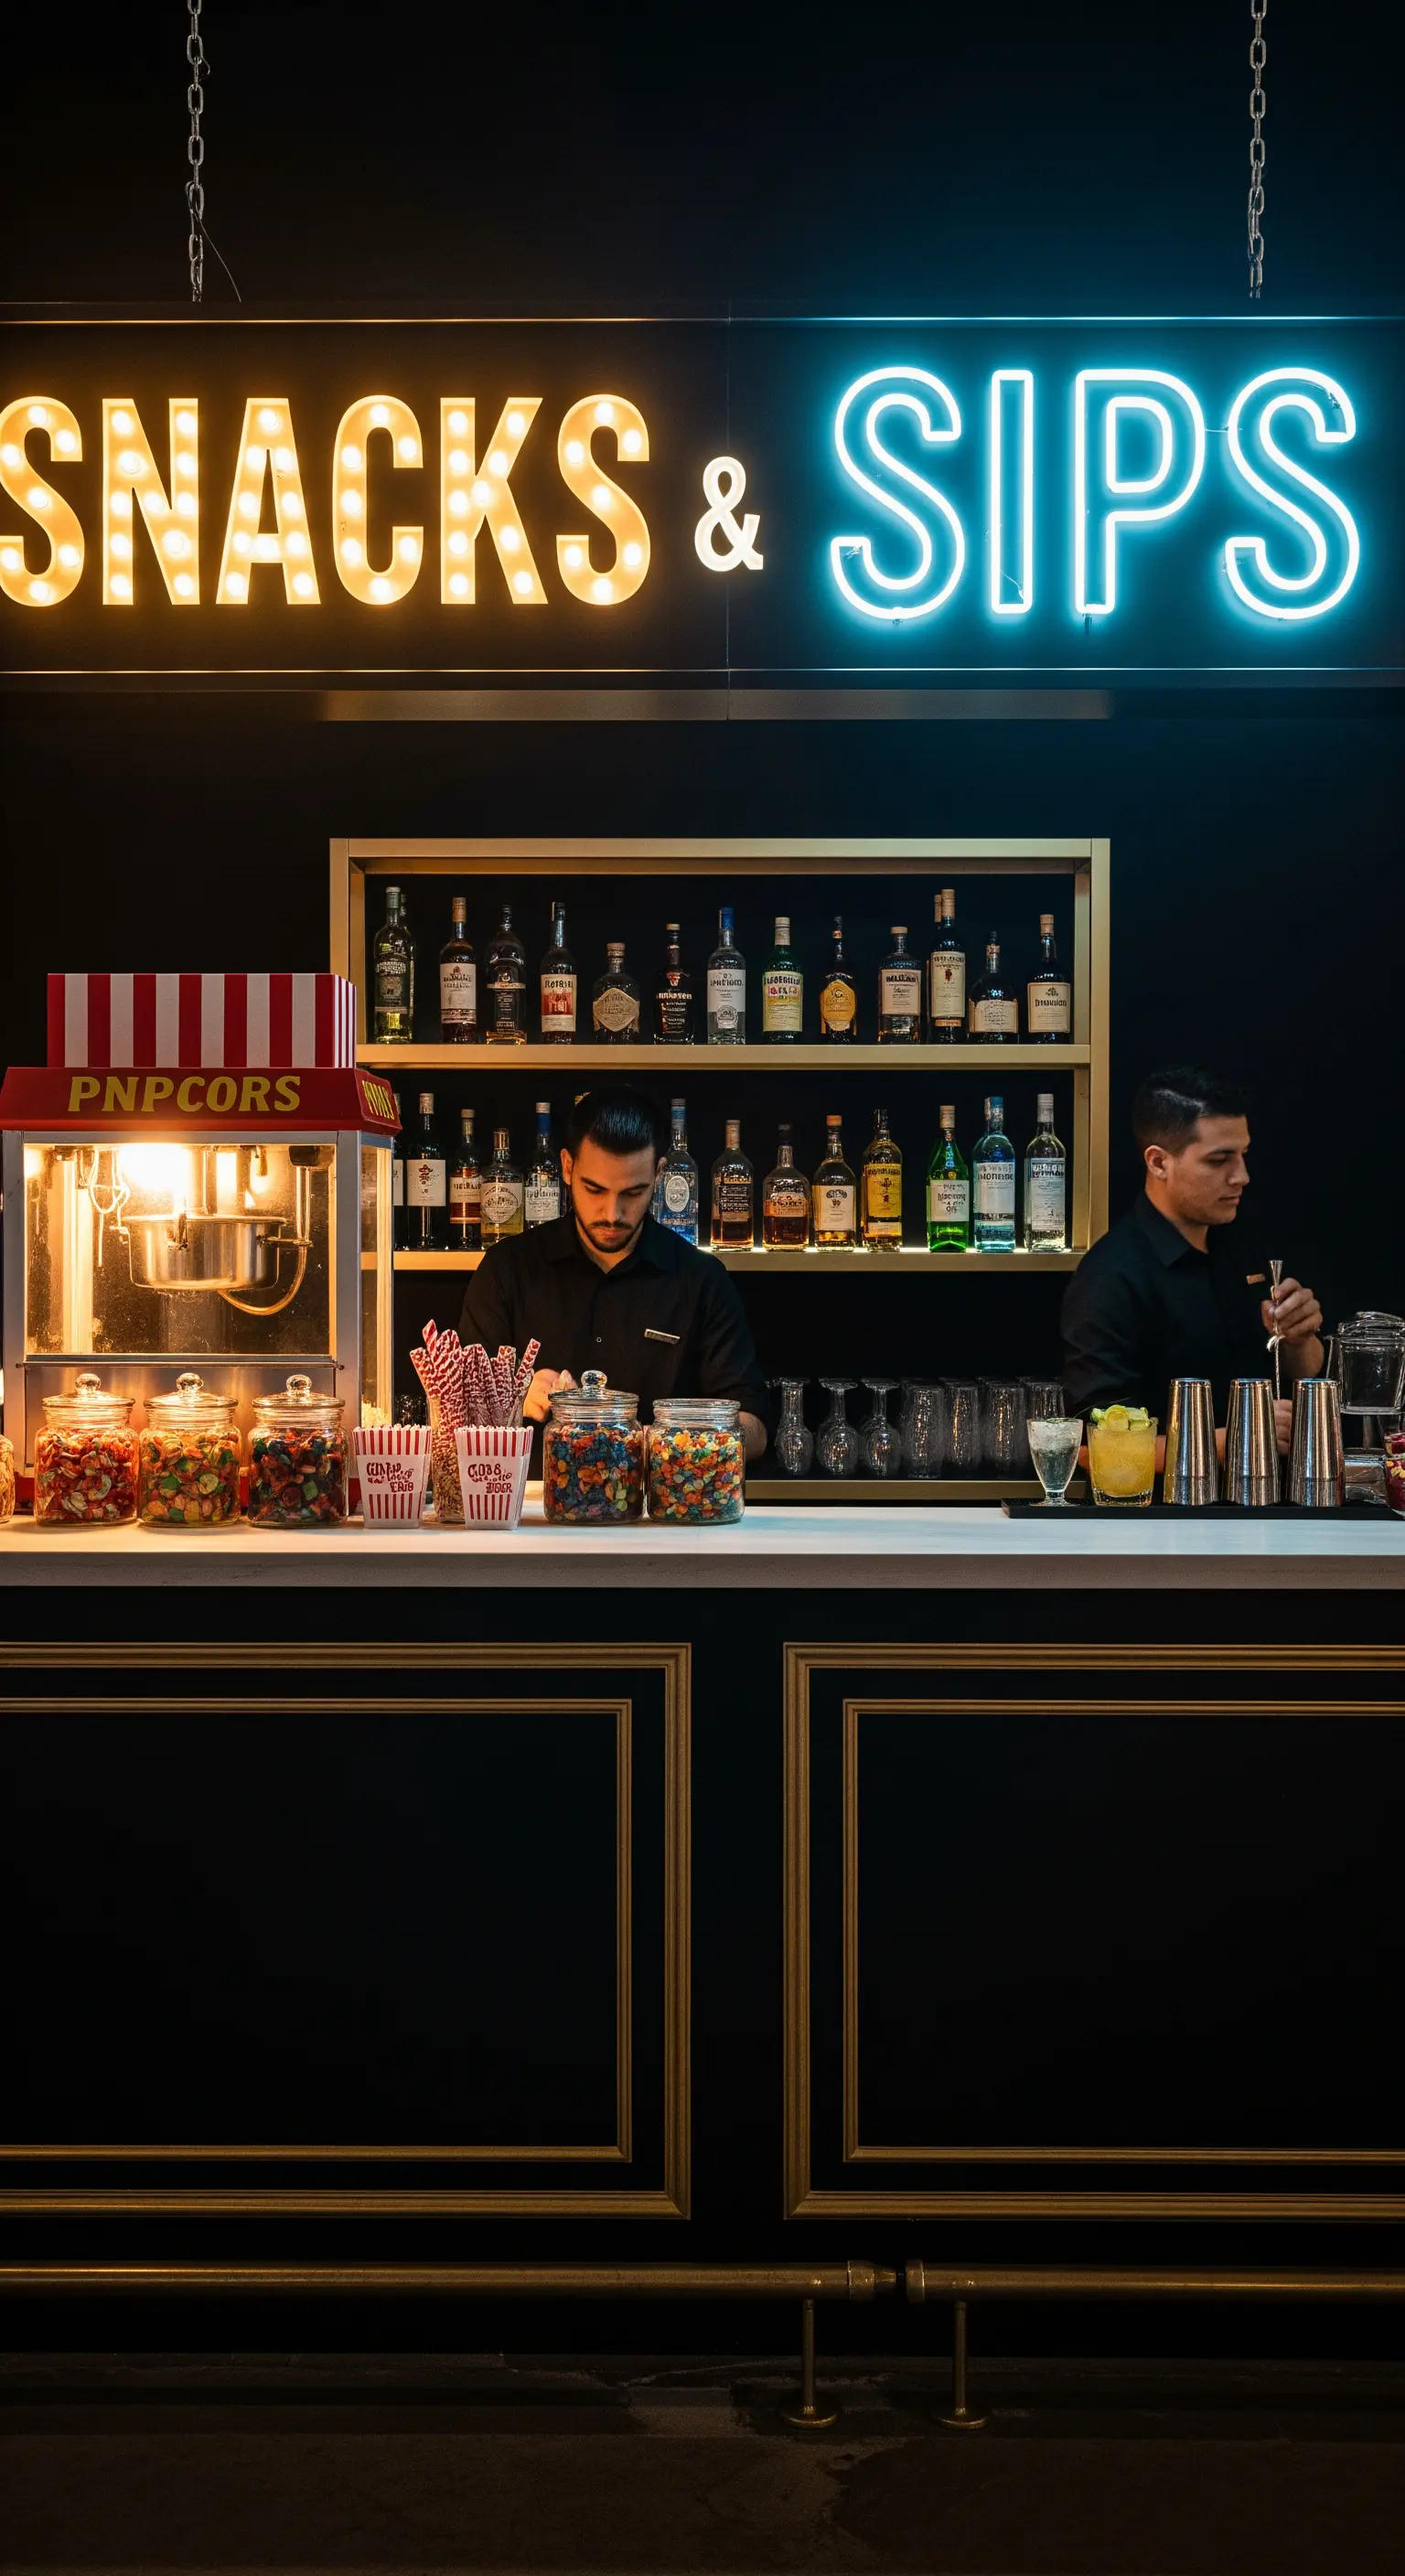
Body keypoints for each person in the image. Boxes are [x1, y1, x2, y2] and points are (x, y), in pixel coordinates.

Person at [458, 1085, 769, 1458]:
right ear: (568, 1168)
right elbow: (457, 1415)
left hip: (657, 1509)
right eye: (595, 1189)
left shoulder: (701, 1279)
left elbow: (754, 1427)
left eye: (633, 1193)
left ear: (659, 1175)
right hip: (530, 1511)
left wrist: (677, 1438)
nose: (611, 1213)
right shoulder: (508, 1269)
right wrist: (513, 1397)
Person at [1061, 1067, 1323, 1454]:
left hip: (1268, 1503)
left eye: (1243, 1155)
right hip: (1167, 1513)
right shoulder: (1111, 1277)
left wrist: (1299, 1340)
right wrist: (1238, 1438)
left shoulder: (1242, 1244)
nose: (1242, 1177)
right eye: (1219, 1160)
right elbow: (1091, 1447)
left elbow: (1304, 1371)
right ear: (1158, 1163)